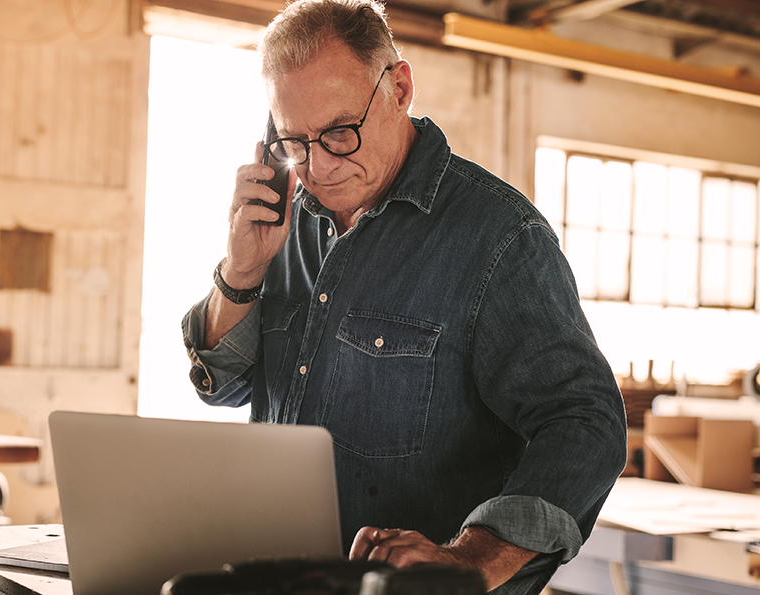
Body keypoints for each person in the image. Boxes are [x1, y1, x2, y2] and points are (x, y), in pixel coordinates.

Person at [180, 0, 627, 592]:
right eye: (293, 140)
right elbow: (225, 386)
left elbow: (586, 423)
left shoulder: (498, 239)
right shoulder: (284, 219)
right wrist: (240, 273)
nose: (318, 166)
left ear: (399, 87)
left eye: (340, 132)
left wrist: (474, 558)